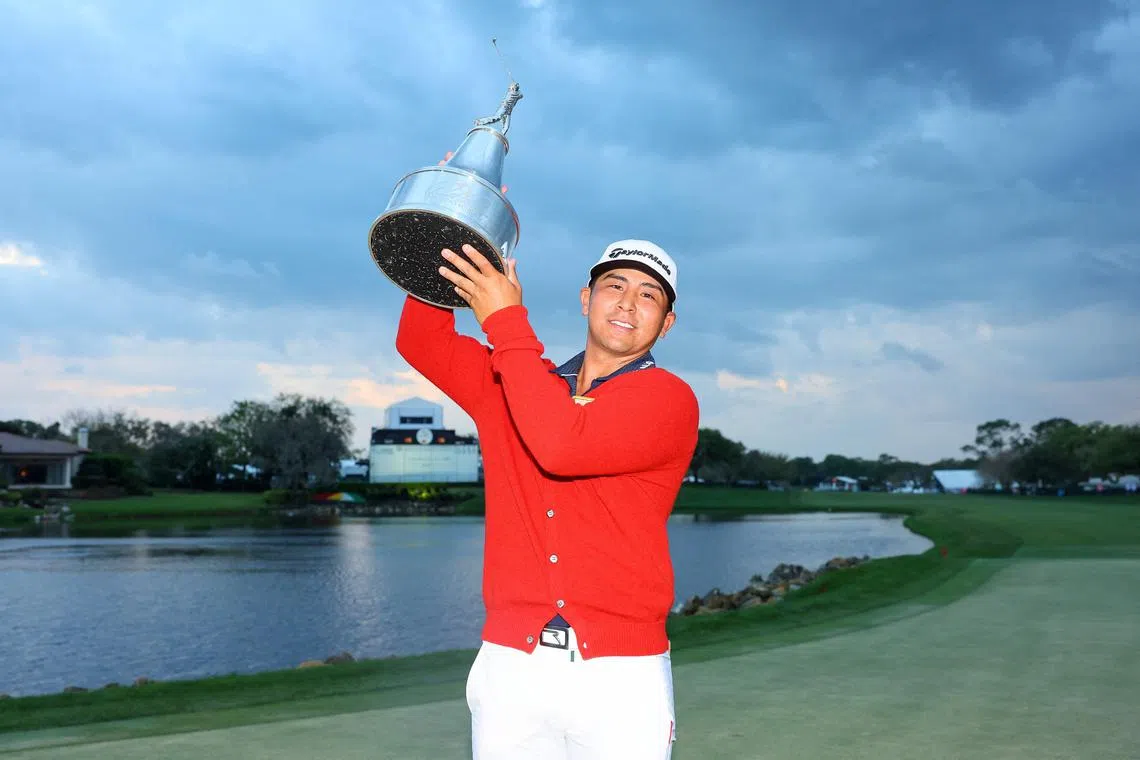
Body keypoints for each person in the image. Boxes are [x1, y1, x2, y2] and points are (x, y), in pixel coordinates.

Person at [395, 229, 699, 759]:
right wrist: (453, 220)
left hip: (619, 677)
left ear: (666, 324)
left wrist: (506, 322)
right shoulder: (515, 379)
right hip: (512, 667)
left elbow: (560, 444)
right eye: (614, 285)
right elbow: (421, 339)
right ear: (587, 299)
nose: (628, 302)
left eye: (650, 295)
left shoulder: (668, 399)